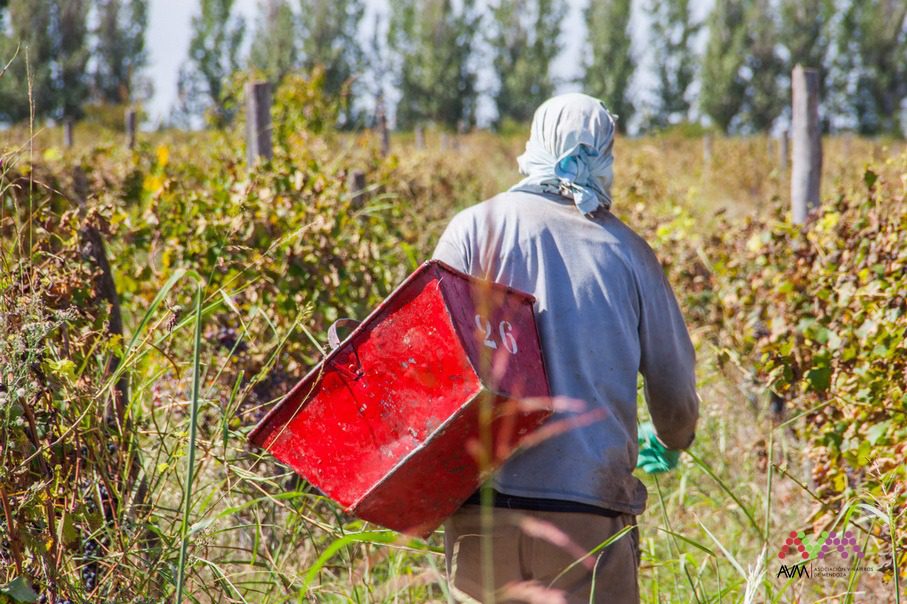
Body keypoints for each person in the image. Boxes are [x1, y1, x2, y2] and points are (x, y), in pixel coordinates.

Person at [431, 93, 700, 603]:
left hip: (479, 517)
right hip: (587, 520)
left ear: (534, 143)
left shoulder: (471, 230)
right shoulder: (629, 254)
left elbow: (427, 360)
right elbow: (678, 403)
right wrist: (669, 439)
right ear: (603, 156)